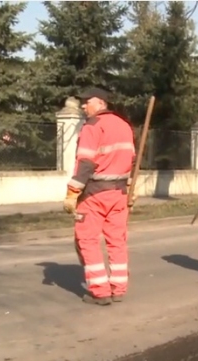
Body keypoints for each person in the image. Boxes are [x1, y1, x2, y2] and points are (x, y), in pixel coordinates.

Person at [63, 87, 136, 306]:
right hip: (119, 193)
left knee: (87, 240)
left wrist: (72, 193)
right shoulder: (124, 125)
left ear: (101, 103)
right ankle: (119, 288)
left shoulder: (92, 126)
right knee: (117, 240)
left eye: (88, 102)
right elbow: (129, 160)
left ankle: (100, 291)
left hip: (95, 193)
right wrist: (131, 186)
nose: (84, 106)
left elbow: (85, 163)